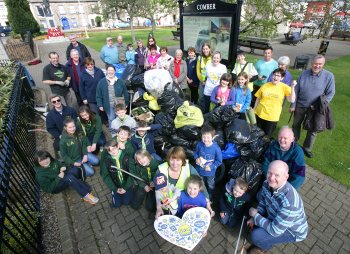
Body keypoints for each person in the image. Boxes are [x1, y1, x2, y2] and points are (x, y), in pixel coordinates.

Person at [247, 160, 308, 254]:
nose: (271, 178)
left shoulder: (290, 205)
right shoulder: (267, 183)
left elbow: (275, 230)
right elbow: (263, 200)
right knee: (256, 224)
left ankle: (263, 248)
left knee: (256, 236)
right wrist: (256, 214)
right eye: (269, 173)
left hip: (292, 231)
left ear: (286, 177)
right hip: (277, 216)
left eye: (277, 175)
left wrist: (256, 216)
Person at [290, 54, 335, 158]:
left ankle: (307, 148)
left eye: (320, 64)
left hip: (316, 109)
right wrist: (293, 104)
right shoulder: (304, 74)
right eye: (315, 63)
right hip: (300, 105)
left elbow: (330, 93)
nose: (317, 66)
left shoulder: (329, 76)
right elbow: (296, 90)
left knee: (313, 130)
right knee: (295, 126)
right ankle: (293, 144)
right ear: (311, 63)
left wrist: (320, 106)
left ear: (323, 64)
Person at [156, 146, 210, 216]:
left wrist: (208, 202)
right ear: (168, 160)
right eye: (172, 160)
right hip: (166, 202)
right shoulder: (161, 170)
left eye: (178, 160)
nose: (175, 163)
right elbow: (158, 191)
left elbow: (200, 182)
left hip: (183, 201)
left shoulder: (189, 167)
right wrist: (158, 207)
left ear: (182, 161)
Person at [34, 150, 98, 205]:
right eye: (41, 161)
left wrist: (63, 166)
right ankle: (85, 195)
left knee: (75, 169)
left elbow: (61, 164)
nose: (45, 161)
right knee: (69, 178)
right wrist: (58, 177)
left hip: (62, 176)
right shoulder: (40, 175)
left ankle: (76, 183)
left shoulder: (53, 161)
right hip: (56, 187)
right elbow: (48, 189)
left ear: (49, 157)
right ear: (38, 162)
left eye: (46, 158)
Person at [254, 68, 296, 137]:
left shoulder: (284, 87)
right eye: (274, 75)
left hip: (272, 117)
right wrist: (254, 110)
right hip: (260, 114)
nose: (275, 77)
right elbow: (258, 99)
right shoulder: (265, 85)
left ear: (282, 78)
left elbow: (291, 100)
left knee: (267, 137)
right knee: (257, 135)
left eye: (278, 76)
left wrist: (293, 87)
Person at [100, 140, 135, 208]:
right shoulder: (106, 161)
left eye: (114, 148)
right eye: (110, 151)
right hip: (116, 186)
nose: (113, 152)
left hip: (126, 185)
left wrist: (126, 188)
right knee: (116, 205)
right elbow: (106, 177)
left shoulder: (127, 158)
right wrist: (114, 188)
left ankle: (130, 189)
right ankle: (115, 193)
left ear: (118, 146)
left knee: (126, 202)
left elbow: (132, 174)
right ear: (108, 152)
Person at [194, 125, 222, 201]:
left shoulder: (216, 149)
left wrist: (211, 167)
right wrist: (196, 158)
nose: (205, 139)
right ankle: (202, 196)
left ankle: (210, 198)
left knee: (210, 185)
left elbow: (219, 161)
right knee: (201, 184)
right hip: (200, 170)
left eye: (208, 137)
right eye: (204, 137)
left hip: (210, 173)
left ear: (213, 137)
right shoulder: (199, 145)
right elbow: (195, 153)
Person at [196, 43, 212, 112]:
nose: (205, 50)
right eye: (204, 49)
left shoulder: (212, 57)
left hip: (210, 81)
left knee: (209, 97)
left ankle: (209, 110)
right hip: (202, 81)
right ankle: (202, 111)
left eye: (206, 49)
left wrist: (207, 81)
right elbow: (198, 70)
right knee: (202, 97)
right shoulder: (200, 57)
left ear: (209, 49)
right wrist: (202, 81)